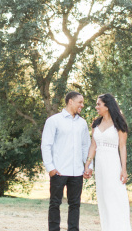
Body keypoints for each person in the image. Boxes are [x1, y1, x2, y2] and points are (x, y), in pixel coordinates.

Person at [41, 91, 92, 231]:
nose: (82, 105)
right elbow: (46, 145)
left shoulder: (82, 123)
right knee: (55, 203)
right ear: (70, 101)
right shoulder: (54, 120)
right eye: (80, 102)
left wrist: (88, 166)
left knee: (75, 205)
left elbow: (85, 146)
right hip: (59, 170)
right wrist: (50, 167)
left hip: (77, 172)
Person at [84, 93, 131, 230]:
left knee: (115, 197)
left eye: (99, 104)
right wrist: (88, 163)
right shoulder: (96, 123)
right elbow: (93, 145)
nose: (96, 106)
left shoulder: (119, 124)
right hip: (100, 166)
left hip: (113, 164)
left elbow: (122, 147)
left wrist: (124, 169)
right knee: (103, 197)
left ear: (107, 105)